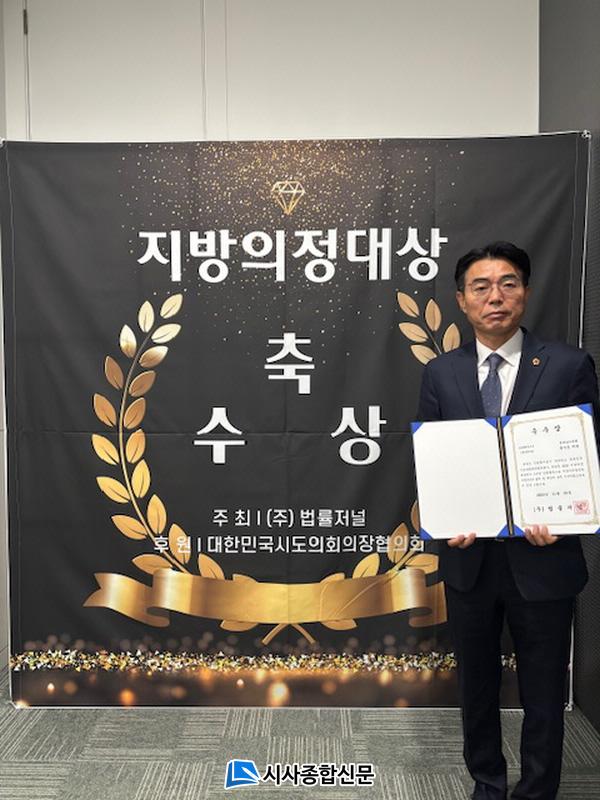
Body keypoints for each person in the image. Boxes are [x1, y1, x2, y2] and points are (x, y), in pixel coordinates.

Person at [416, 241, 599, 800]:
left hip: (544, 557)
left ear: (525, 292)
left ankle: (538, 789)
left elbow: (587, 455)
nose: (495, 296)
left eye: (508, 283)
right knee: (477, 682)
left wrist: (564, 518)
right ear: (461, 300)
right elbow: (431, 456)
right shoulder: (441, 373)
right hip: (469, 557)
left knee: (543, 686)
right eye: (481, 286)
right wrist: (446, 517)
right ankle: (488, 782)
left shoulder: (567, 365)